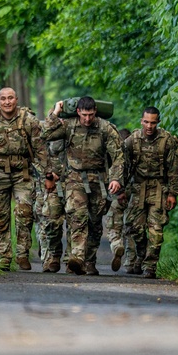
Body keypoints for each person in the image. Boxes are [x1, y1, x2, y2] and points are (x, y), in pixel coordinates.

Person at [42, 96, 124, 276]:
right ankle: (77, 257)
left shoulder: (105, 128)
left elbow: (117, 155)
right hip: (74, 178)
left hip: (98, 179)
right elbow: (44, 134)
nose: (88, 119)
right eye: (84, 115)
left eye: (91, 114)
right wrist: (55, 113)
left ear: (95, 112)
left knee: (95, 222)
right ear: (78, 112)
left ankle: (89, 261)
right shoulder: (68, 125)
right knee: (77, 215)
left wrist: (116, 179)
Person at [0, 87, 48, 271]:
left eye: (10, 98)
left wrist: (47, 174)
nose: (7, 102)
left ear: (16, 100)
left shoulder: (28, 121)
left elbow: (40, 149)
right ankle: (4, 256)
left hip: (22, 173)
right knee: (1, 216)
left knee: (24, 212)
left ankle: (23, 254)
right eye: (3, 99)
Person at [123, 106, 178, 279]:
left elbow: (174, 168)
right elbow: (123, 166)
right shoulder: (132, 140)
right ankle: (141, 254)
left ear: (158, 122)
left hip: (158, 188)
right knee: (135, 228)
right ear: (141, 121)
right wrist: (120, 189)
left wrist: (173, 193)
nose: (149, 126)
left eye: (153, 122)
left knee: (156, 231)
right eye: (146, 122)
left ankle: (150, 266)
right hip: (138, 187)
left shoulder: (167, 141)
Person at [35, 138, 67, 272]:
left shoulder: (77, 127)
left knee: (76, 221)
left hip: (72, 180)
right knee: (47, 221)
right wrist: (48, 175)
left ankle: (69, 259)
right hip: (47, 183)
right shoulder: (44, 130)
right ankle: (49, 257)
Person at [106, 127, 131, 272]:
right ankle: (131, 261)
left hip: (116, 195)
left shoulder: (113, 154)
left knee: (113, 225)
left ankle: (116, 245)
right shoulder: (135, 150)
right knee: (132, 228)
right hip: (134, 194)